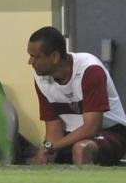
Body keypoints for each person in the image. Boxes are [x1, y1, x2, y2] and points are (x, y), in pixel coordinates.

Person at [27, 25, 126, 166]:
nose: (30, 62)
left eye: (35, 57)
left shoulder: (90, 70)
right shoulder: (40, 79)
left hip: (109, 133)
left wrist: (52, 147)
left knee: (81, 149)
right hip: (72, 136)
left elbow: (91, 128)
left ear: (54, 57)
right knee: (45, 157)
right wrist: (47, 151)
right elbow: (53, 131)